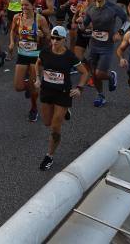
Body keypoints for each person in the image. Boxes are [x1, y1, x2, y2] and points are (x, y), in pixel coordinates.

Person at [35, 26, 89, 171]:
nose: (54, 41)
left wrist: (79, 88)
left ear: (64, 40)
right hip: (47, 91)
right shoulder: (45, 52)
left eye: (58, 39)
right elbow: (38, 64)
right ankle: (65, 112)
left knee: (55, 127)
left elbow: (84, 73)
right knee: (46, 122)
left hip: (63, 93)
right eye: (52, 38)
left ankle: (49, 155)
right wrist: (37, 79)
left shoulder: (69, 56)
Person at [79, 0, 129, 108]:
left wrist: (120, 32)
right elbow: (84, 26)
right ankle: (100, 95)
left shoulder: (113, 8)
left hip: (107, 46)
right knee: (93, 74)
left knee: (100, 73)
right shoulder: (90, 8)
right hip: (94, 45)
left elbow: (127, 21)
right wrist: (80, 24)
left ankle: (111, 75)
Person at [9, 0, 50, 122]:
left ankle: (33, 108)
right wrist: (11, 42)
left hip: (35, 56)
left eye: (26, 5)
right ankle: (30, 87)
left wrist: (42, 35)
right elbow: (13, 31)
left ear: (33, 5)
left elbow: (49, 37)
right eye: (22, 5)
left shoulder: (40, 20)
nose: (24, 7)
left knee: (34, 89)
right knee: (18, 86)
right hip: (22, 54)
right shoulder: (17, 17)